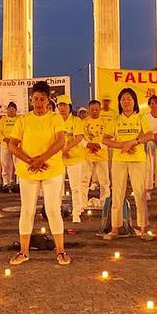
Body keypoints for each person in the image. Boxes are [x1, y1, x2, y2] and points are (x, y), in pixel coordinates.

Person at [7, 81, 70, 265]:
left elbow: (60, 141)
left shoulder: (55, 118)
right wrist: (30, 161)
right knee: (27, 210)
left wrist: (42, 159)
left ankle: (60, 251)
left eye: (42, 99)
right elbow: (12, 144)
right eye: (35, 99)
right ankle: (24, 251)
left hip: (51, 169)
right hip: (28, 170)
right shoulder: (23, 119)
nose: (39, 103)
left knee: (52, 209)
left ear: (48, 100)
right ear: (31, 99)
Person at [102, 88, 155, 240]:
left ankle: (144, 229)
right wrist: (122, 145)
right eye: (123, 99)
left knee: (140, 193)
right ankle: (115, 229)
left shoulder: (141, 117)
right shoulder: (115, 119)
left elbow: (150, 135)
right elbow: (105, 139)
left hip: (138, 160)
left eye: (129, 99)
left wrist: (134, 142)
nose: (126, 101)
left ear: (134, 101)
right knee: (117, 194)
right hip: (119, 160)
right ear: (119, 102)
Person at [55, 95, 86, 223]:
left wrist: (66, 149)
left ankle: (76, 213)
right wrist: (61, 151)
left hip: (75, 158)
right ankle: (56, 212)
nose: (62, 108)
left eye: (64, 105)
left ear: (69, 107)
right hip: (59, 159)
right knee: (58, 187)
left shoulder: (76, 120)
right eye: (60, 105)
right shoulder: (55, 120)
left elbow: (79, 137)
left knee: (76, 187)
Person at [81, 99, 110, 204]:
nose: (94, 111)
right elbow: (80, 138)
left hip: (101, 155)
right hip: (86, 154)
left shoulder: (105, 122)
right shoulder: (83, 122)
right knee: (84, 180)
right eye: (92, 109)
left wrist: (99, 146)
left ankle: (105, 202)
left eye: (96, 109)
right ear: (88, 109)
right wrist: (88, 145)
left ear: (100, 109)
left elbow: (110, 138)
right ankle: (82, 203)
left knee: (104, 181)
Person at [0, 102, 20, 192]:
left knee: (18, 164)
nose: (11, 111)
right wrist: (4, 139)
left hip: (17, 145)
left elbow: (23, 131)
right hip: (5, 145)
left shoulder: (19, 119)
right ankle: (6, 183)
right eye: (9, 109)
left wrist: (16, 140)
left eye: (13, 109)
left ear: (16, 110)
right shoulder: (3, 119)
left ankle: (18, 183)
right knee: (5, 164)